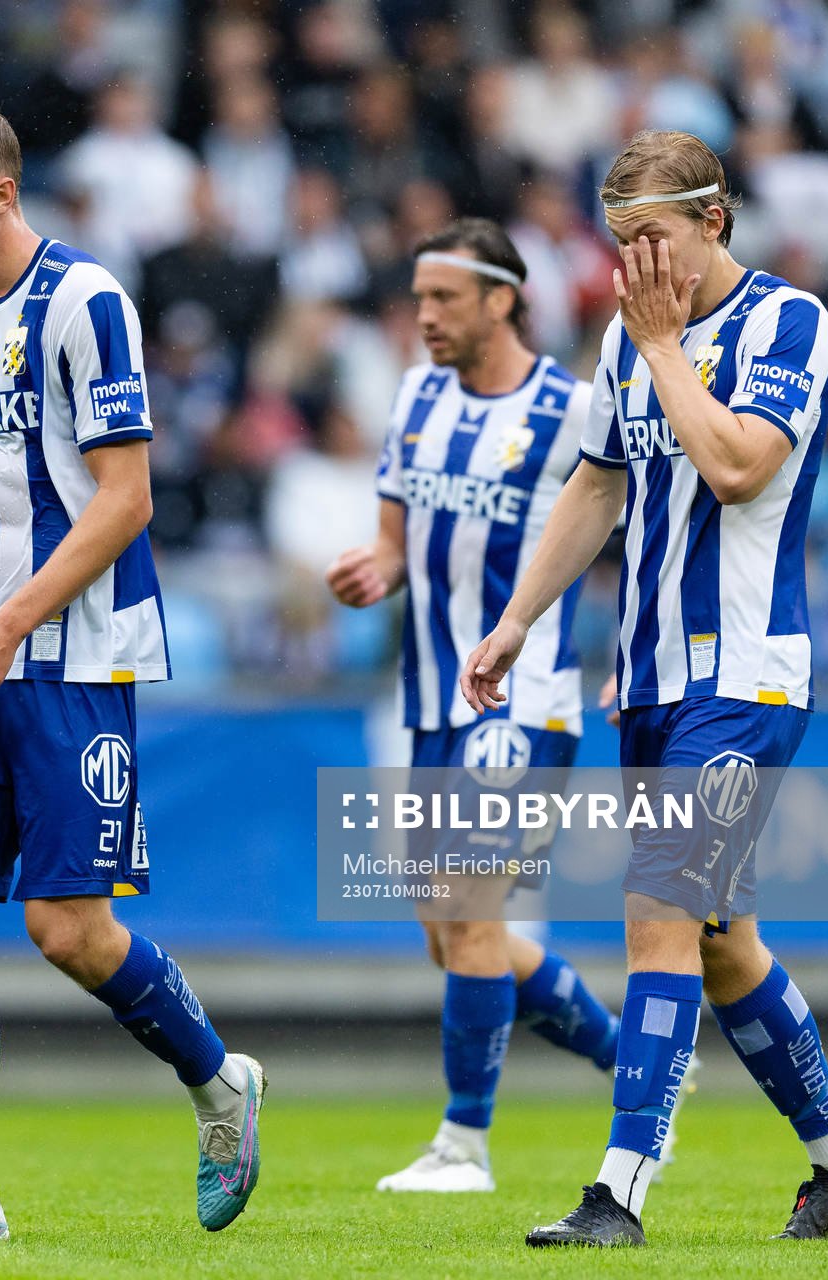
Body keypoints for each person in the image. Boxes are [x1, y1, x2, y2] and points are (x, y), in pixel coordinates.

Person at [461, 131, 828, 1246]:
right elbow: (596, 487)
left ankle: (619, 1194)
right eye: (620, 241)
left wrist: (660, 349)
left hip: (744, 678)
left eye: (653, 236)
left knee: (656, 912)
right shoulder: (628, 336)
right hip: (650, 683)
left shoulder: (787, 323)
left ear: (714, 220)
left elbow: (739, 466)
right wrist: (517, 618)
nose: (635, 262)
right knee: (721, 939)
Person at [0, 100, 264, 1243]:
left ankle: (219, 1082)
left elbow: (125, 498)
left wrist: (8, 625)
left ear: (3, 193)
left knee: (67, 927)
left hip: (68, 653)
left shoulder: (87, 301)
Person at [326, 219, 624, 1194]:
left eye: (444, 298)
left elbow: (622, 538)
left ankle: (464, 1144)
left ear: (502, 299)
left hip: (523, 697)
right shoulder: (415, 396)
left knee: (470, 908)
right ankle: (634, 1063)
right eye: (419, 298)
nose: (425, 316)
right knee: (450, 930)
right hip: (430, 697)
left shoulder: (570, 410)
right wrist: (372, 571)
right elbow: (392, 541)